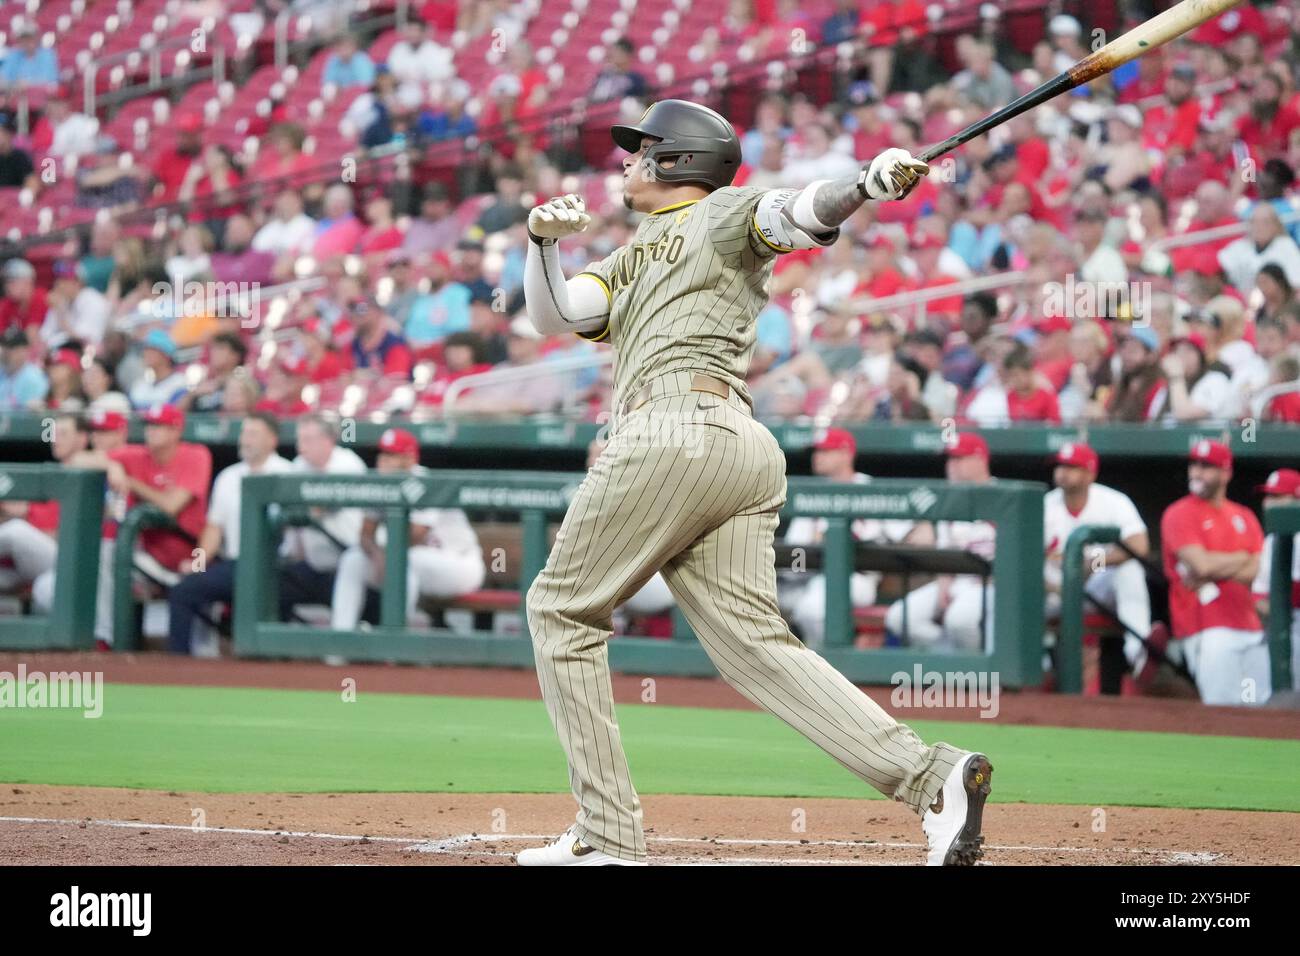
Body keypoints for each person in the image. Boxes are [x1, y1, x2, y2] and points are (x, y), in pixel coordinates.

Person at [515, 99, 989, 866]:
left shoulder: (725, 212)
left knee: (560, 609)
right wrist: (540, 241)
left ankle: (606, 835)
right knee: (755, 646)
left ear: (678, 160)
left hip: (673, 427)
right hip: (737, 442)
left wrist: (865, 183)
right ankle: (933, 779)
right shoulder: (632, 253)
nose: (626, 161)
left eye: (641, 150)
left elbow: (795, 210)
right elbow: (555, 314)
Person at [330, 428, 484, 629]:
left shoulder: (425, 482)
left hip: (458, 563)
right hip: (413, 560)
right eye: (382, 453)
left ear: (410, 459)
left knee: (404, 562)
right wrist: (376, 553)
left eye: (392, 455)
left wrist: (386, 555)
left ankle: (394, 641)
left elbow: (416, 536)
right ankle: (341, 639)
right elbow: (365, 534)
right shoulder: (380, 483)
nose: (383, 460)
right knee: (353, 560)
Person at [167, 411, 291, 655]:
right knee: (184, 591)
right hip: (236, 564)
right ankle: (178, 664)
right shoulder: (229, 476)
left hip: (276, 565)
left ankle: (279, 666)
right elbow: (214, 528)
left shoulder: (288, 472)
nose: (245, 440)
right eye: (244, 433)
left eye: (254, 434)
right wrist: (199, 562)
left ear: (272, 440)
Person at [779, 428, 916, 646]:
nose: (817, 457)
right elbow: (794, 555)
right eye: (816, 452)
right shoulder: (811, 493)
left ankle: (825, 669)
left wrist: (889, 559)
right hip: (808, 578)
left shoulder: (870, 489)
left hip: (857, 576)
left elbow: (919, 533)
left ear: (846, 454)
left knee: (811, 611)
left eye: (825, 451)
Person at [1160, 440, 1270, 706]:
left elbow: (1258, 569)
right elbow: (1202, 566)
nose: (1197, 472)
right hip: (1206, 628)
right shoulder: (1179, 513)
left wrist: (1225, 566)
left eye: (1207, 466)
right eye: (1194, 464)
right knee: (1223, 709)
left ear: (1226, 473)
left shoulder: (1244, 515)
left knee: (1258, 708)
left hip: (1251, 626)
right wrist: (1242, 559)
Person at [93, 405, 213, 646]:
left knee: (202, 653)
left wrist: (131, 482)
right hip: (151, 559)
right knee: (106, 551)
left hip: (196, 557)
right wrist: (112, 466)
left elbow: (171, 506)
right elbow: (82, 458)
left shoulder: (196, 454)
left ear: (176, 430)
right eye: (149, 425)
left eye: (159, 426)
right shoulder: (136, 455)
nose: (152, 431)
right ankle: (106, 638)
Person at [1042, 443, 1155, 684]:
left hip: (1097, 583)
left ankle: (1138, 652)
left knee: (1130, 569)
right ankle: (1033, 663)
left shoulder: (1113, 501)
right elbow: (1026, 559)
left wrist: (1095, 563)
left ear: (1090, 473)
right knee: (1021, 592)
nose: (1063, 471)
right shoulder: (1045, 505)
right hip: (1055, 589)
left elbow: (1139, 545)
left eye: (1072, 467)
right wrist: (1053, 587)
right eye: (1060, 465)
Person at [884, 433, 996, 651]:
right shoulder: (949, 499)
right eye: (950, 459)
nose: (951, 466)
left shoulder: (1001, 495)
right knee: (899, 618)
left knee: (959, 620)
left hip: (991, 583)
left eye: (959, 459)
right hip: (956, 579)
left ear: (980, 460)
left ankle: (975, 670)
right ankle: (951, 655)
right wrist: (944, 584)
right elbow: (945, 552)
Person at [278, 415, 366, 623]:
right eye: (300, 439)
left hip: (348, 556)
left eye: (308, 439)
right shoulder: (299, 465)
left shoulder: (348, 462)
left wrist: (303, 509)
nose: (301, 446)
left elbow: (323, 507)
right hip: (314, 563)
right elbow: (288, 510)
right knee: (275, 582)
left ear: (328, 440)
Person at [0, 413, 84, 604]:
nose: (56, 440)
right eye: (54, 434)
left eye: (63, 434)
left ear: (82, 438)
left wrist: (26, 516)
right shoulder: (52, 472)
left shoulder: (89, 473)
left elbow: (72, 535)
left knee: (16, 531)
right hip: (34, 559)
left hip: (68, 556)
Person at [1252, 469, 1300, 691]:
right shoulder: (1271, 540)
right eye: (1268, 496)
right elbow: (1259, 595)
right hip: (1286, 629)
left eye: (1278, 496)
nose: (1269, 503)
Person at [128, 330, 189, 409]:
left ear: (166, 355)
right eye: (145, 349)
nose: (146, 354)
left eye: (152, 350)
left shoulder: (179, 382)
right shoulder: (140, 384)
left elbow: (175, 412)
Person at [0, 327, 49, 410]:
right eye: (4, 347)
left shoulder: (34, 378)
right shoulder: (2, 372)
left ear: (24, 351)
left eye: (12, 348)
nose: (5, 352)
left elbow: (28, 416)